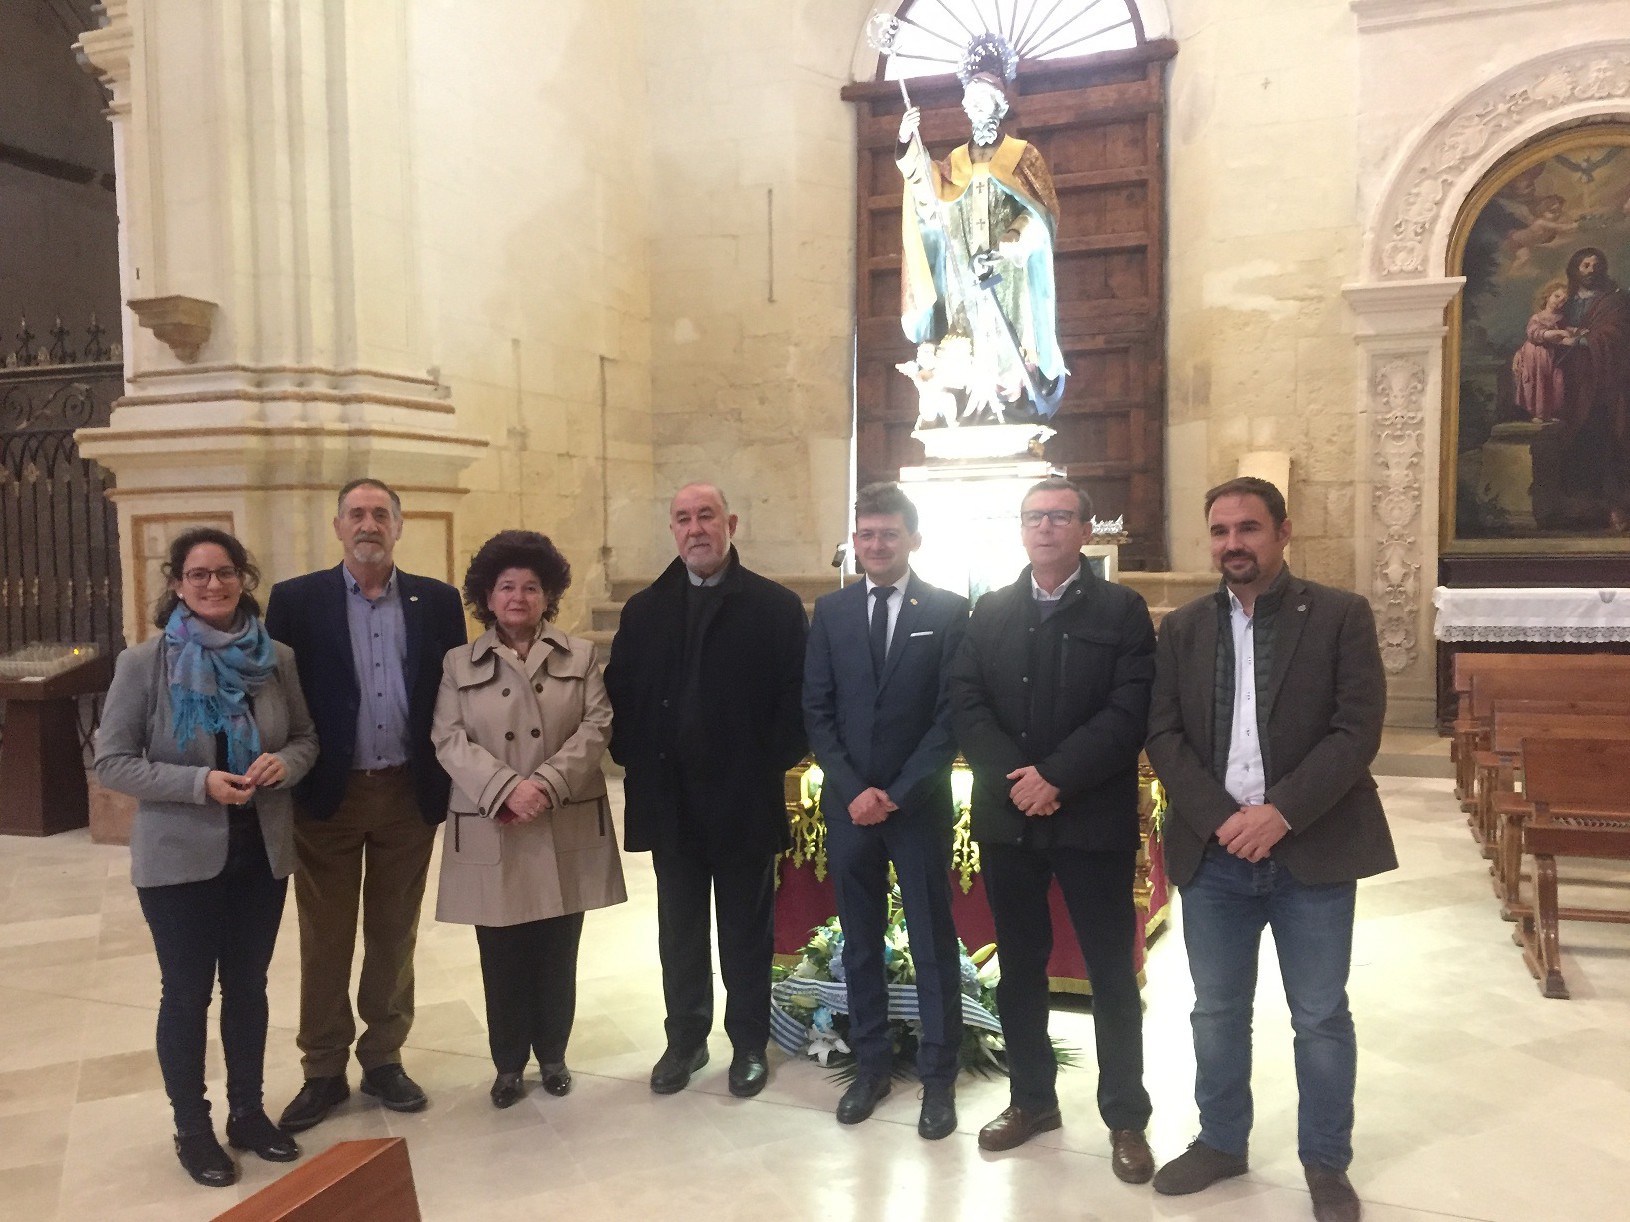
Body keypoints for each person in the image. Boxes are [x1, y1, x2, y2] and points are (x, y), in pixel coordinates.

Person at [1145, 477, 1395, 1222]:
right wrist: (1222, 818)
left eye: (1248, 528)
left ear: (1283, 532)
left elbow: (1356, 730)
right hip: (1215, 854)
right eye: (1220, 531)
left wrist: (1279, 813)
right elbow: (1163, 733)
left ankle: (1325, 1161)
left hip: (1311, 850)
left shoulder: (1340, 615)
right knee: (1217, 1012)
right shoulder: (1183, 628)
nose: (1233, 544)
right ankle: (1221, 1142)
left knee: (1319, 1015)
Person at [947, 476, 1156, 1183]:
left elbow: (1128, 710)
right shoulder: (990, 610)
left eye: (1060, 517)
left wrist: (1056, 777)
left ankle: (1125, 1116)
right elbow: (966, 700)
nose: (1045, 527)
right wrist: (1018, 779)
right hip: (1010, 818)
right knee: (1019, 967)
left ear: (1086, 530)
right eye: (1034, 516)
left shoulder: (1121, 610)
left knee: (1110, 972)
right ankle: (1032, 1100)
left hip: (1091, 817)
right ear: (1021, 528)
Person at [95, 527, 318, 1188]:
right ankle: (192, 1128)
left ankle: (247, 1113)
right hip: (178, 860)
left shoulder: (276, 658)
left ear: (244, 579)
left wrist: (286, 763)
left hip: (261, 852)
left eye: (225, 572)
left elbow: (306, 737)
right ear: (177, 585)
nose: (213, 585)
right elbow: (113, 762)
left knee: (248, 987)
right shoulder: (145, 663)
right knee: (187, 993)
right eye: (198, 574)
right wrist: (200, 784)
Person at [265, 478, 468, 1129]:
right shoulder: (296, 600)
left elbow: (454, 692)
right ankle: (323, 1068)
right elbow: (273, 693)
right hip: (329, 794)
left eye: (381, 514)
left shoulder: (437, 601)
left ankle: (383, 1058)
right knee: (325, 936)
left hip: (408, 792)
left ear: (399, 527)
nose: (368, 524)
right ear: (338, 526)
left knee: (393, 933)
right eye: (356, 513)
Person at [604, 482, 808, 1098]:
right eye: (683, 518)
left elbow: (797, 705)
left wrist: (758, 764)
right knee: (680, 930)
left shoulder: (775, 607)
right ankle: (686, 1041)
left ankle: (748, 1044)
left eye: (707, 516)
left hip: (743, 798)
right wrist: (639, 760)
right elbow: (621, 697)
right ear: (673, 530)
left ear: (731, 523)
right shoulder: (644, 610)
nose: (695, 528)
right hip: (671, 799)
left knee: (746, 931)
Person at [431, 531, 624, 1108]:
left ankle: (554, 1056)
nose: (518, 597)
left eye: (531, 587)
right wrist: (506, 790)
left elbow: (597, 725)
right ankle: (509, 1064)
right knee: (502, 956)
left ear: (548, 596)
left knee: (558, 951)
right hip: (494, 824)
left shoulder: (580, 656)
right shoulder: (458, 662)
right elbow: (448, 737)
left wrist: (544, 785)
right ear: (487, 598)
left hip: (561, 820)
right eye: (507, 587)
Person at [802, 483, 968, 1139]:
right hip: (849, 807)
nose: (876, 544)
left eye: (889, 534)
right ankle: (870, 1067)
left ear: (913, 539)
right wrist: (853, 789)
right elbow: (817, 709)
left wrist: (897, 791)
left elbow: (950, 716)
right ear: (855, 540)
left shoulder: (949, 610)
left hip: (917, 806)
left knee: (931, 942)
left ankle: (939, 1076)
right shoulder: (832, 611)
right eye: (866, 534)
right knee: (860, 941)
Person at [896, 34, 1067, 422]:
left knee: (1008, 335)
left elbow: (1043, 214)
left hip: (1007, 271)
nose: (973, 108)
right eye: (969, 101)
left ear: (999, 105)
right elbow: (928, 197)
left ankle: (1007, 404)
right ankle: (972, 406)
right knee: (965, 332)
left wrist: (1013, 238)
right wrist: (907, 142)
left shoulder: (1023, 156)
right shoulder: (955, 161)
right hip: (963, 269)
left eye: (981, 100)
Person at [1512, 281, 1577, 423]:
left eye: (1563, 300)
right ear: (1547, 296)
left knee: (1554, 382)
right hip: (1535, 354)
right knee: (1539, 382)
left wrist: (1574, 331)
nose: (1559, 301)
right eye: (1557, 296)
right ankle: (1539, 414)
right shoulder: (1538, 317)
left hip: (1552, 355)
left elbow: (1565, 331)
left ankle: (1549, 412)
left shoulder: (1561, 319)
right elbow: (1535, 333)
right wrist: (1559, 333)